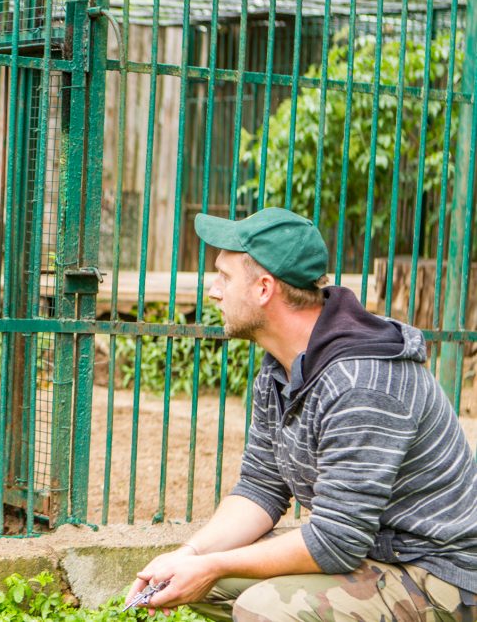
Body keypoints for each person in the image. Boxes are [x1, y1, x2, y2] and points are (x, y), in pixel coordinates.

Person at [126, 207, 477, 620]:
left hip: (440, 575)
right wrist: (191, 555)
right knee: (191, 580)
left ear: (263, 288)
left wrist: (212, 565)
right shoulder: (282, 367)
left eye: (224, 277)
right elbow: (261, 487)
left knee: (265, 608)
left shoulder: (361, 383)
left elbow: (335, 540)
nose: (213, 291)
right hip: (373, 554)